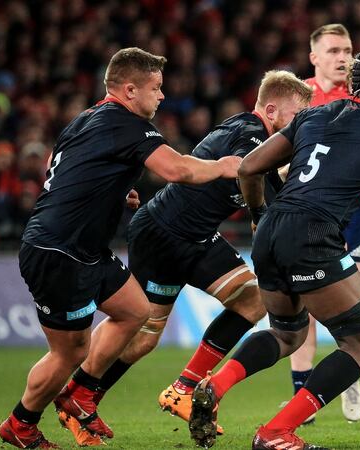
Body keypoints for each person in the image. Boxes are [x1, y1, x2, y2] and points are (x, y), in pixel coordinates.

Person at [185, 47, 360, 450]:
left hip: (271, 232)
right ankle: (276, 432)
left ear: (352, 83)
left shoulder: (312, 116)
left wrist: (258, 213)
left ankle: (217, 383)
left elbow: (248, 167)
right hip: (314, 236)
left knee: (287, 333)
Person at [50, 70, 312, 445]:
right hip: (169, 234)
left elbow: (270, 189)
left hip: (177, 234)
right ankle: (117, 391)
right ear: (271, 110)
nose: (301, 124)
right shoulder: (251, 134)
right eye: (298, 114)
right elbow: (254, 174)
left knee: (144, 339)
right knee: (249, 301)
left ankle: (83, 395)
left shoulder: (254, 139)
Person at [0, 47, 241, 449]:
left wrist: (114, 193)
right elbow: (178, 170)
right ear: (130, 90)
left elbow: (71, 172)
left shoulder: (86, 119)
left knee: (135, 311)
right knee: (69, 351)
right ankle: (20, 424)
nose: (162, 97)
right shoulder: (125, 124)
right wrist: (225, 165)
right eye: (156, 88)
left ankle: (78, 395)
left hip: (85, 248)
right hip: (59, 252)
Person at [292, 24, 360, 421]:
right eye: (335, 50)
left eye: (349, 50)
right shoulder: (299, 98)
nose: (344, 58)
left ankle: (348, 370)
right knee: (303, 307)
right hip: (313, 212)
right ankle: (300, 397)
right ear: (314, 58)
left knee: (353, 306)